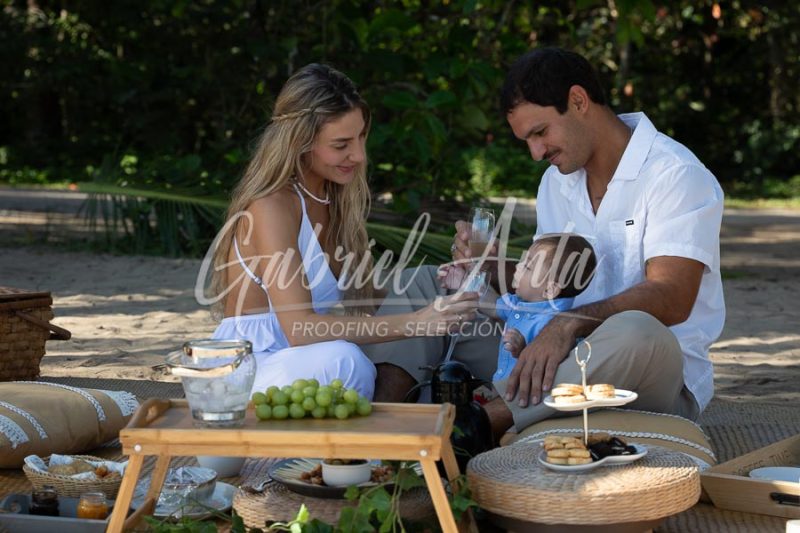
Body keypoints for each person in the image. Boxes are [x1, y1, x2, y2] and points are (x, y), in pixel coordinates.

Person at [368, 47, 724, 438]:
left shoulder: (674, 174)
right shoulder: (557, 181)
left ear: (578, 100)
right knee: (427, 283)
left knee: (639, 331)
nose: (536, 152)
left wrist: (567, 323)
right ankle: (381, 428)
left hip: (638, 369)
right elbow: (543, 291)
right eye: (527, 140)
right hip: (547, 356)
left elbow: (672, 296)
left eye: (540, 132)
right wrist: (486, 266)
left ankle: (476, 427)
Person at [207, 63, 478, 399]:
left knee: (424, 281)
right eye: (341, 144)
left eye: (362, 136)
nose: (359, 155)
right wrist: (417, 322)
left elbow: (371, 299)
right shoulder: (272, 206)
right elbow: (299, 329)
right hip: (243, 371)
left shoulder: (332, 200)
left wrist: (447, 278)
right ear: (300, 142)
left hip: (299, 364)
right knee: (344, 360)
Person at [439, 234, 596, 383]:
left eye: (527, 266)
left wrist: (523, 350)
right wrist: (463, 282)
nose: (518, 267)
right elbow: (492, 305)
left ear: (549, 290)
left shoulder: (554, 326)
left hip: (523, 397)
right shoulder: (522, 303)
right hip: (501, 387)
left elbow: (550, 368)